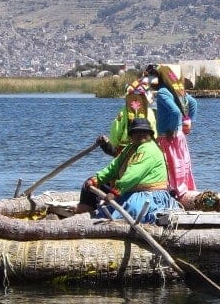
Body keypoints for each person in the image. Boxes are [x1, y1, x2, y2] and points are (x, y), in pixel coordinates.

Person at [75, 118, 181, 223]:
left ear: (150, 134)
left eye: (144, 132)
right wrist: (96, 179)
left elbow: (134, 174)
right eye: (137, 132)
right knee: (89, 187)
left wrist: (116, 192)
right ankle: (87, 213)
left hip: (149, 195)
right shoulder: (129, 148)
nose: (141, 134)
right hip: (130, 190)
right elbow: (113, 167)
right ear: (131, 135)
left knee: (126, 212)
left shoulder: (149, 149)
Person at [146, 64, 198, 196]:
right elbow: (193, 103)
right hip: (179, 136)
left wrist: (171, 130)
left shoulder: (163, 92)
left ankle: (174, 190)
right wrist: (188, 122)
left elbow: (175, 112)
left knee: (170, 164)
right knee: (180, 162)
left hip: (168, 136)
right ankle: (184, 188)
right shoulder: (177, 90)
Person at [104, 76, 157, 156]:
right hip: (145, 149)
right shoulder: (150, 112)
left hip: (125, 150)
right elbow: (154, 133)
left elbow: (115, 131)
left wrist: (113, 144)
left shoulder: (123, 112)